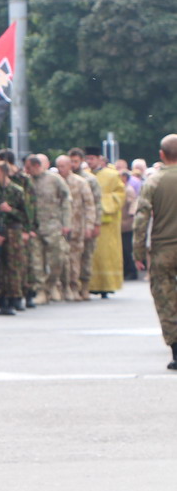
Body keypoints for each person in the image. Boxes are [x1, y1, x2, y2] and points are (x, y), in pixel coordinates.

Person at [132, 134, 177, 369]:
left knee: (165, 299)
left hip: (163, 249)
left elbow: (141, 219)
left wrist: (138, 251)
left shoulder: (154, 181)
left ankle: (176, 350)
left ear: (161, 155)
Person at [26, 154, 71, 304]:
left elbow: (66, 200)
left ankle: (51, 284)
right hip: (34, 227)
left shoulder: (54, 180)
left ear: (37, 166)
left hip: (53, 226)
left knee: (57, 259)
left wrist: (66, 223)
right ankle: (41, 290)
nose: (27, 171)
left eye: (29, 168)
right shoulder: (27, 182)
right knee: (36, 262)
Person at [0, 160, 29, 316]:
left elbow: (26, 216)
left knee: (14, 267)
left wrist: (10, 210)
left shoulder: (17, 191)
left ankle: (15, 297)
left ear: (4, 173)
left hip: (13, 234)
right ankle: (1, 299)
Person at [87, 149, 126, 296]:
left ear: (99, 159)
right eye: (87, 159)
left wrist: (102, 201)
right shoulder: (84, 175)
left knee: (106, 254)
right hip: (89, 220)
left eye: (92, 158)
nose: (89, 161)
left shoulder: (112, 175)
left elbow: (120, 195)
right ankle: (90, 284)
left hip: (108, 222)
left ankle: (107, 285)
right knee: (91, 254)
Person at [58, 154, 96, 301]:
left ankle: (76, 287)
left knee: (75, 259)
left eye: (63, 166)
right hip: (59, 227)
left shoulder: (80, 182)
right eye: (58, 166)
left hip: (77, 227)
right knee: (61, 259)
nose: (60, 169)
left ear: (69, 166)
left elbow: (89, 205)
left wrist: (89, 226)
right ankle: (62, 287)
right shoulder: (56, 181)